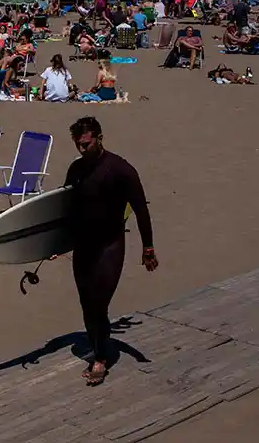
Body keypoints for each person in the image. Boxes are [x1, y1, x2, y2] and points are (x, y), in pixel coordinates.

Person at [63, 116, 156, 386]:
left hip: (110, 245)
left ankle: (100, 359)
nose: (82, 150)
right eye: (78, 145)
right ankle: (97, 345)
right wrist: (56, 244)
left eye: (86, 144)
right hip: (83, 245)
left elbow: (141, 209)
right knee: (86, 302)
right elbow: (65, 208)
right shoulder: (76, 169)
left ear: (99, 138)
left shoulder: (121, 170)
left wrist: (148, 246)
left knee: (98, 301)